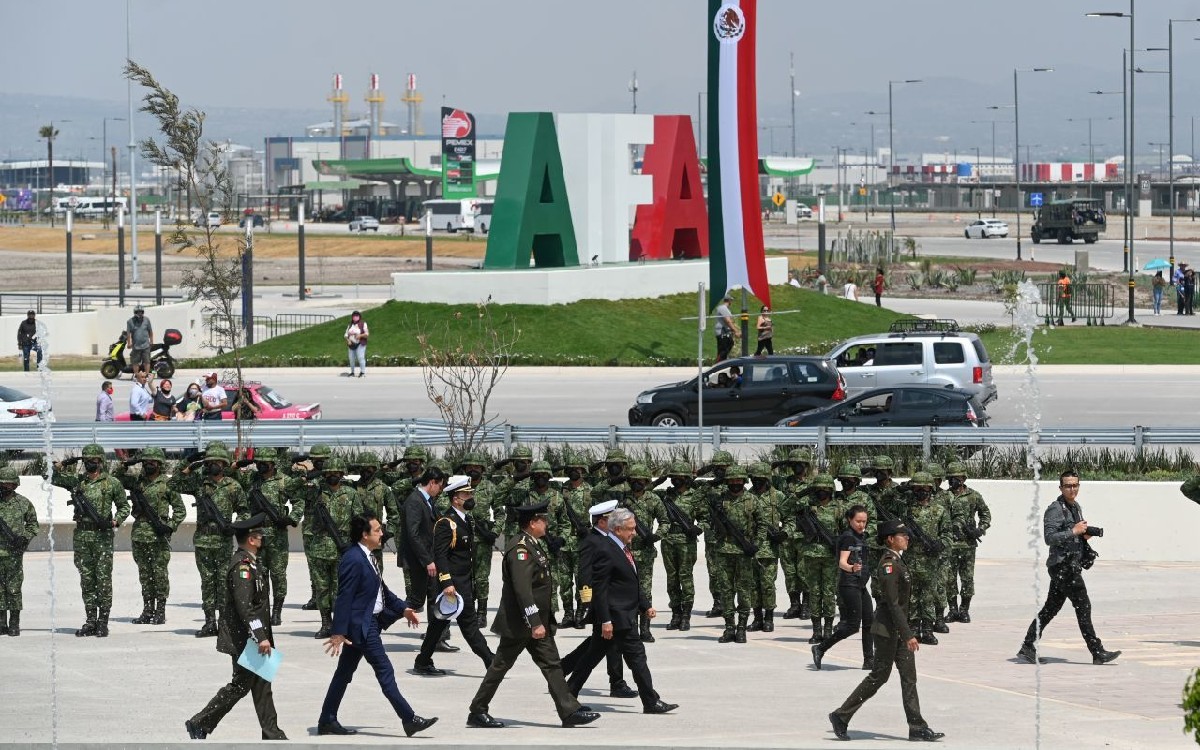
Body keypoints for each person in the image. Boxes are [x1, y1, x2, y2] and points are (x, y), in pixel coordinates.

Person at [466, 500, 600, 729]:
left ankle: (569, 711)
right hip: (522, 623)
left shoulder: (533, 544)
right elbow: (522, 590)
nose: (547, 524)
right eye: (543, 520)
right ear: (532, 523)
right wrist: (534, 622)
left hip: (537, 623)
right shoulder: (520, 549)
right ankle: (478, 710)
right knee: (500, 665)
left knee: (552, 665)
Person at [318, 512, 438, 738]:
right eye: (377, 530)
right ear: (364, 535)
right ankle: (409, 719)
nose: (382, 533)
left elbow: (382, 591)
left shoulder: (368, 556)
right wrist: (338, 632)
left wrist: (404, 609)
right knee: (385, 670)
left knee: (343, 674)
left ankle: (327, 719)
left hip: (364, 624)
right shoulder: (353, 559)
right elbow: (344, 597)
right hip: (363, 627)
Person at [828, 520, 944, 743]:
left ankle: (917, 726)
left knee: (909, 677)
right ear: (890, 539)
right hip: (887, 630)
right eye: (902, 535)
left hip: (899, 629)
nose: (907, 538)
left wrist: (906, 631)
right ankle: (841, 716)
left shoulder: (898, 561)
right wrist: (908, 634)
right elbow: (892, 603)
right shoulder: (889, 564)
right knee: (878, 677)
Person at [563, 507, 677, 714]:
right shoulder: (606, 549)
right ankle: (651, 702)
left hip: (620, 615)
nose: (634, 532)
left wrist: (645, 605)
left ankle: (568, 694)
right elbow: (600, 588)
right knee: (637, 658)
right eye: (630, 529)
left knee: (590, 657)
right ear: (617, 529)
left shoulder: (621, 546)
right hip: (616, 618)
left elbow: (629, 581)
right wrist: (606, 620)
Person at [185, 513, 288, 741]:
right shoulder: (242, 567)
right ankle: (199, 722)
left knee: (261, 684)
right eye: (259, 535)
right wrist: (261, 636)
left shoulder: (251, 562)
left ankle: (272, 733)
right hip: (246, 638)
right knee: (240, 685)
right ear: (251, 539)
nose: (263, 538)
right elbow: (245, 608)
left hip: (254, 636)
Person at [1017, 471, 1121, 666]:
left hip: (1069, 566)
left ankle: (1028, 645)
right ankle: (1097, 651)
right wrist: (1073, 531)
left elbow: (1073, 533)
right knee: (1083, 606)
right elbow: (1049, 538)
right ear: (1060, 488)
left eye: (1075, 485)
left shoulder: (1075, 507)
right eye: (1068, 486)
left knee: (1050, 609)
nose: (1072, 489)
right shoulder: (1055, 509)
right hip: (1063, 567)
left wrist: (1085, 535)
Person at [413, 476, 495, 675]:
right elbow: (440, 555)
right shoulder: (446, 523)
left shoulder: (465, 520)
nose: (470, 497)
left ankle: (423, 660)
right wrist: (447, 582)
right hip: (454, 585)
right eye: (466, 494)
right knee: (469, 625)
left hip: (464, 582)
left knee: (438, 624)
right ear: (455, 498)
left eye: (470, 494)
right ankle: (491, 662)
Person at [170, 442, 248, 638]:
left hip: (222, 540)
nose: (213, 465)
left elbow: (244, 511)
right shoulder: (199, 483)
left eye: (217, 462)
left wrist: (236, 525)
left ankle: (224, 623)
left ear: (224, 464)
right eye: (210, 462)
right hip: (203, 540)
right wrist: (187, 465)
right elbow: (173, 484)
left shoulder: (233, 486)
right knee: (207, 582)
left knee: (223, 583)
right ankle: (209, 622)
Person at [51, 443, 129, 638]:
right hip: (82, 537)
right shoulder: (77, 481)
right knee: (87, 580)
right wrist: (62, 464)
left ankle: (103, 622)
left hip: (102, 536)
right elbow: (51, 477)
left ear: (101, 462)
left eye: (93, 460)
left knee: (103, 580)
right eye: (86, 460)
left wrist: (115, 521)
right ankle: (90, 621)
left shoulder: (112, 483)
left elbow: (124, 507)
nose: (89, 464)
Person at [114, 448, 185, 625]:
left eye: (152, 462)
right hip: (139, 534)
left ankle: (160, 610)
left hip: (158, 536)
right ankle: (147, 610)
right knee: (145, 574)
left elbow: (180, 510)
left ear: (159, 464)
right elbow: (117, 479)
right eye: (145, 462)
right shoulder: (138, 482)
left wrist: (170, 527)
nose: (148, 465)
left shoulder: (168, 484)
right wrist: (126, 464)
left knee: (160, 574)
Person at [295, 457, 362, 639]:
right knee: (322, 587)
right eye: (328, 473)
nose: (332, 476)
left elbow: (358, 520)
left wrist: (356, 546)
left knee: (341, 589)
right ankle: (326, 623)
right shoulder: (315, 491)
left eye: (335, 473)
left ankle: (341, 625)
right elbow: (291, 490)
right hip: (319, 547)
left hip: (342, 548)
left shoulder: (351, 493)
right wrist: (308, 475)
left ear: (341, 474)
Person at [812, 505, 874, 671]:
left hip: (860, 585)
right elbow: (842, 562)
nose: (862, 525)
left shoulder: (862, 536)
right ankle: (820, 648)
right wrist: (852, 568)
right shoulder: (848, 538)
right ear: (849, 520)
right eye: (858, 521)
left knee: (869, 622)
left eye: (864, 521)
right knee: (853, 626)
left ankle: (869, 660)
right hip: (849, 584)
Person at [944, 462, 991, 624]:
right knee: (949, 579)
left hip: (968, 545)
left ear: (963, 478)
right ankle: (952, 609)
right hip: (950, 545)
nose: (952, 481)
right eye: (950, 478)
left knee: (967, 578)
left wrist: (980, 529)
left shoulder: (974, 495)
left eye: (956, 478)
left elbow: (985, 514)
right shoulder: (944, 496)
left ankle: (964, 610)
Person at [0, 466, 39, 636]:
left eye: (10, 484)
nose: (7, 487)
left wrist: (24, 539)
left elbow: (33, 524)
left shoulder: (23, 503)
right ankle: (1, 623)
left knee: (14, 589)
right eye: (3, 484)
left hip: (14, 553)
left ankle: (14, 622)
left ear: (15, 485)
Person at [125, 306, 154, 377]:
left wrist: (151, 341)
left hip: (146, 345)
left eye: (141, 312)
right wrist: (129, 343)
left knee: (147, 361)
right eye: (138, 312)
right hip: (136, 346)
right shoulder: (130, 321)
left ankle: (146, 375)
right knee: (135, 362)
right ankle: (136, 376)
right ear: (135, 313)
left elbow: (150, 331)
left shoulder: (146, 320)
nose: (140, 314)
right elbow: (128, 333)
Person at [344, 310, 370, 378]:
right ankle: (352, 372)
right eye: (354, 316)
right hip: (351, 344)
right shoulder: (350, 325)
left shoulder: (363, 324)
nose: (355, 317)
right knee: (351, 359)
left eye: (357, 316)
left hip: (360, 343)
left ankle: (362, 372)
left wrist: (360, 336)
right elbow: (346, 335)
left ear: (359, 317)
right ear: (352, 317)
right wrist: (348, 340)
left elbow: (367, 334)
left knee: (360, 357)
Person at [713, 295, 737, 362]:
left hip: (725, 332)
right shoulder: (723, 308)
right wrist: (736, 331)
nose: (731, 302)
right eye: (731, 300)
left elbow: (729, 321)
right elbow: (728, 321)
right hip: (722, 332)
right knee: (723, 350)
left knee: (730, 344)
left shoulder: (725, 309)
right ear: (729, 300)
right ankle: (718, 364)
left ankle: (722, 361)